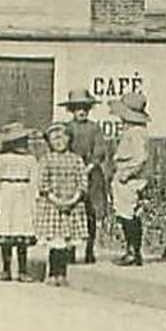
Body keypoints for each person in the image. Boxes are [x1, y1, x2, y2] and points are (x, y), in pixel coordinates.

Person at [34, 122, 89, 287]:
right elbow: (42, 184)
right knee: (55, 243)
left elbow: (83, 182)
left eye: (63, 137)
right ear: (49, 142)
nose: (59, 142)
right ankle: (52, 273)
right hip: (52, 206)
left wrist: (73, 199)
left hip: (72, 206)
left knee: (65, 243)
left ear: (69, 139)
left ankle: (62, 273)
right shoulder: (46, 160)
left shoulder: (76, 160)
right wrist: (56, 200)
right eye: (55, 139)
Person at [59, 88, 110, 264]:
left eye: (84, 108)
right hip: (71, 174)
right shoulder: (67, 129)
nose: (81, 111)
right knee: (71, 211)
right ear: (71, 110)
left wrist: (90, 166)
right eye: (77, 108)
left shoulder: (94, 128)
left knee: (91, 213)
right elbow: (61, 148)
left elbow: (100, 150)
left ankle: (89, 249)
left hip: (92, 174)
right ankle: (70, 250)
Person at [0, 121, 39, 281]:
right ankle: (6, 269)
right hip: (6, 194)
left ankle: (23, 270)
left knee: (22, 233)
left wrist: (34, 198)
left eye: (24, 140)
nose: (23, 143)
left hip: (23, 194)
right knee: (6, 232)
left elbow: (34, 180)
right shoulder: (1, 159)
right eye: (19, 140)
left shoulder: (30, 159)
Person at [110, 90, 151, 266]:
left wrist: (127, 174)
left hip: (129, 179)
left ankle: (133, 251)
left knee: (128, 215)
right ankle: (132, 250)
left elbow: (141, 157)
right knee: (126, 214)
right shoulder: (135, 131)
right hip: (126, 177)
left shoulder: (135, 133)